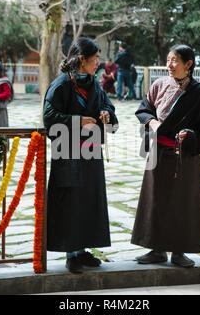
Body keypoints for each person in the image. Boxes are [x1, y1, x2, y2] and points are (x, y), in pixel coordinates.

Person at [131, 44, 200, 268]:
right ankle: (156, 249)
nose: (169, 65)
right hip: (158, 153)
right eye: (168, 60)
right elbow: (143, 109)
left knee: (183, 203)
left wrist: (189, 135)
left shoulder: (199, 94)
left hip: (184, 156)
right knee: (156, 201)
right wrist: (152, 122)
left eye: (175, 60)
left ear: (188, 64)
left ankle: (179, 252)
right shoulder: (159, 85)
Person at [43, 37, 118, 274]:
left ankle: (84, 249)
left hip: (91, 154)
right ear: (82, 60)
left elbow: (110, 110)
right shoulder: (61, 85)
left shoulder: (95, 85)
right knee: (71, 202)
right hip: (68, 153)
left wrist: (107, 114)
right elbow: (49, 118)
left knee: (89, 200)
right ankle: (71, 253)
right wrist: (77, 121)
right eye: (95, 59)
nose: (98, 63)